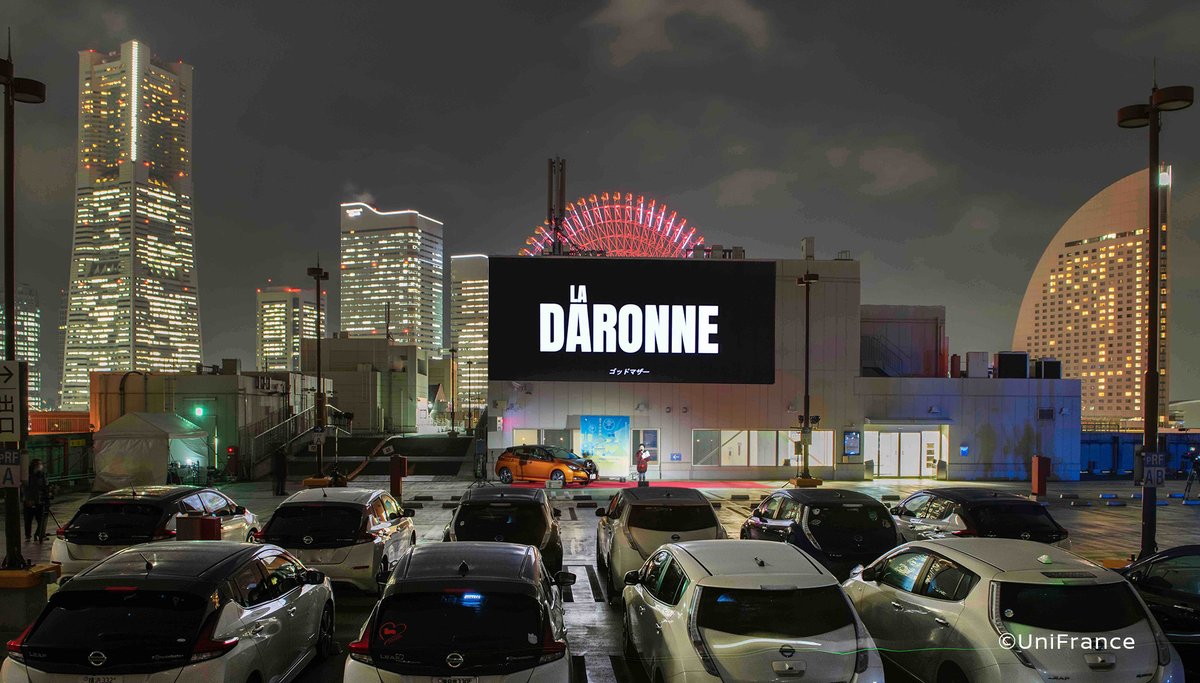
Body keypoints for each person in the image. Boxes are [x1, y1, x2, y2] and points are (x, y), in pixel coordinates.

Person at [22, 458, 51, 543]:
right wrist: (27, 499)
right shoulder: (28, 475)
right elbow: (25, 488)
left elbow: (45, 485)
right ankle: (28, 536)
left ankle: (39, 534)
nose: (40, 466)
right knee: (29, 519)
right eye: (39, 464)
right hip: (30, 500)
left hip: (39, 500)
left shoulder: (41, 474)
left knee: (41, 519)